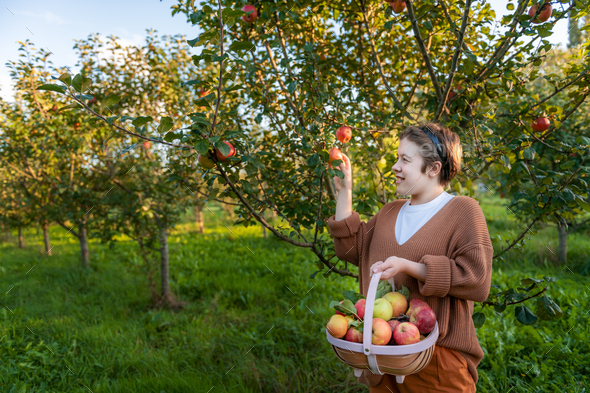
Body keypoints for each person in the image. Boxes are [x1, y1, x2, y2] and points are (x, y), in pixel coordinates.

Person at [327, 122, 493, 392]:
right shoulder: (391, 211)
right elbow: (352, 250)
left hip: (437, 362)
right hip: (382, 355)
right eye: (396, 158)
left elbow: (476, 279)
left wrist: (411, 267)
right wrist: (344, 194)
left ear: (433, 168)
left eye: (405, 159)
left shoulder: (463, 211)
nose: (395, 166)